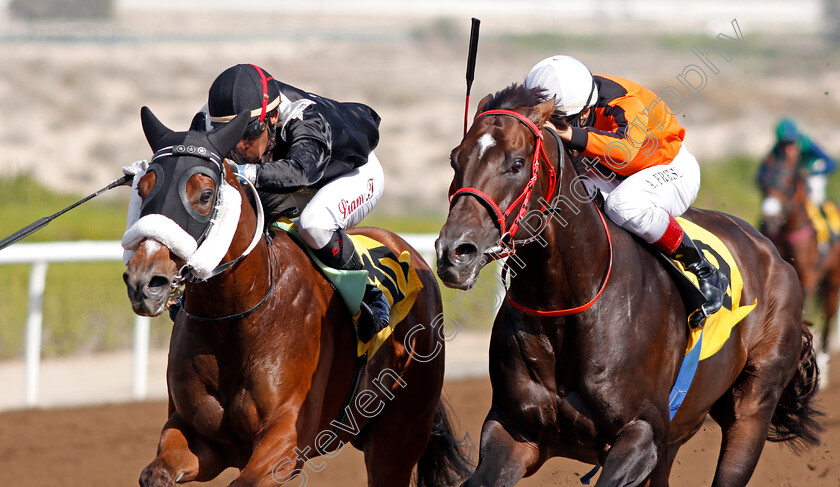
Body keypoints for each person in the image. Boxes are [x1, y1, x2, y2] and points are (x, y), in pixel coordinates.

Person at [523, 55, 727, 328]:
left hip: (669, 169)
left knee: (623, 205)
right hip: (613, 172)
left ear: (584, 112)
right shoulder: (576, 99)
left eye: (562, 122)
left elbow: (625, 152)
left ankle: (702, 268)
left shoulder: (624, 102)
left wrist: (570, 134)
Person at [203, 63, 389, 340]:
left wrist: (239, 172)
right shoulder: (206, 120)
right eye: (228, 133)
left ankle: (370, 294)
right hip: (285, 176)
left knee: (315, 225)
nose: (239, 146)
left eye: (250, 131)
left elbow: (300, 171)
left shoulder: (306, 119)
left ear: (274, 116)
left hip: (348, 173)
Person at [770, 117, 836, 205]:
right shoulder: (776, 149)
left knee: (815, 197)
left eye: (791, 142)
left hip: (813, 172)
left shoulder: (806, 143)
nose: (787, 149)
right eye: (783, 144)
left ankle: (821, 213)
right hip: (795, 175)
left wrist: (811, 173)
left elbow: (831, 163)